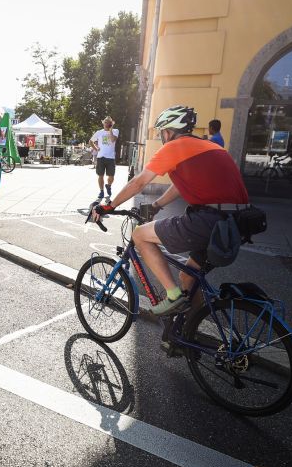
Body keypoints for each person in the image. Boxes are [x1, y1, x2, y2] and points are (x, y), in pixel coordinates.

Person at [92, 105, 249, 316]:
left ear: (168, 131)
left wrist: (108, 206)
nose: (162, 137)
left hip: (210, 220)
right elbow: (180, 186)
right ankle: (190, 329)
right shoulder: (210, 146)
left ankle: (173, 295)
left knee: (140, 235)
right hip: (237, 221)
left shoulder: (175, 147)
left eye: (161, 133)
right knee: (189, 277)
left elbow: (138, 183)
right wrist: (157, 205)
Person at [89, 116, 119, 202]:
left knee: (111, 177)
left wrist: (111, 129)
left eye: (108, 122)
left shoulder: (115, 131)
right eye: (105, 122)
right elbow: (90, 141)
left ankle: (108, 186)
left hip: (110, 157)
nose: (106, 123)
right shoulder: (99, 132)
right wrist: (96, 148)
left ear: (111, 123)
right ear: (103, 123)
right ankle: (101, 191)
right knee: (100, 175)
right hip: (101, 157)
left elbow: (113, 140)